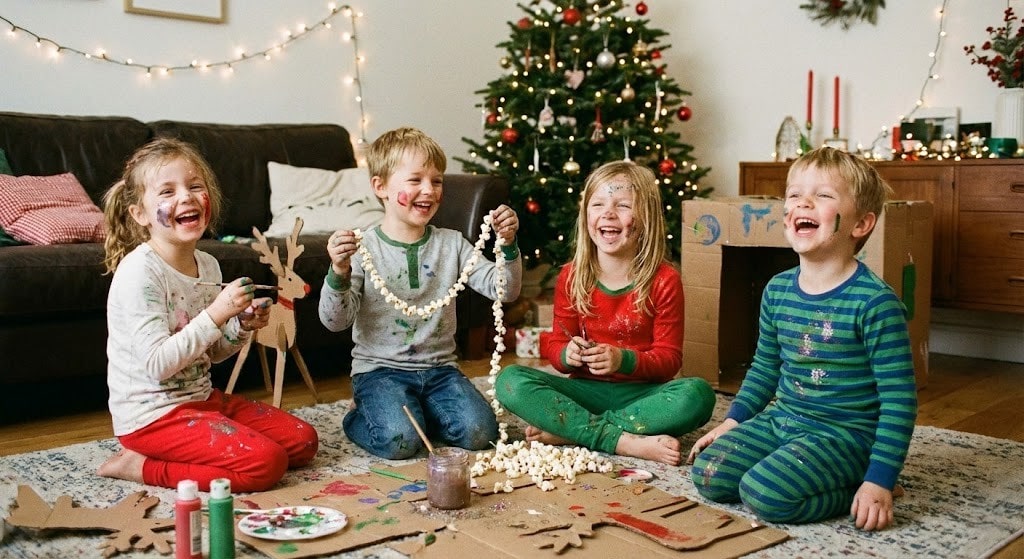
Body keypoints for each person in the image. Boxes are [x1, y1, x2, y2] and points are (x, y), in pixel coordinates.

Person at [687, 147, 918, 531]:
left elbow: (899, 400)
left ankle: (861, 486)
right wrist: (733, 422)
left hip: (846, 437)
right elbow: (764, 368)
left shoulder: (875, 303)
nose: (802, 202)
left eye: (823, 195)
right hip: (785, 420)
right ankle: (792, 460)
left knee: (765, 494)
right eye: (794, 195)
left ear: (860, 224)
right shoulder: (777, 290)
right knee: (710, 475)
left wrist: (879, 480)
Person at [97, 137, 318, 492]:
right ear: (140, 214)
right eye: (167, 192)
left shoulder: (209, 265)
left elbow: (212, 353)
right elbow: (158, 364)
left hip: (202, 401)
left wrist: (241, 325)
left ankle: (196, 446)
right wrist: (217, 313)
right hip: (153, 418)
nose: (185, 197)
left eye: (194, 186)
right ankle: (139, 466)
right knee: (267, 464)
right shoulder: (141, 272)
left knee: (303, 441)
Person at [319, 127, 522, 460]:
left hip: (440, 370)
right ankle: (360, 414)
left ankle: (420, 412)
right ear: (380, 186)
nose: (428, 190)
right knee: (400, 442)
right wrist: (339, 272)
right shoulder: (362, 249)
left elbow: (505, 290)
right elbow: (334, 321)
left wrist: (509, 246)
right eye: (415, 180)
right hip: (380, 372)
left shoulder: (452, 244)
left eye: (437, 181)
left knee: (480, 434)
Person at [495, 160, 716, 466]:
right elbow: (554, 343)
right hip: (583, 392)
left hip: (642, 396)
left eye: (623, 205)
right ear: (586, 215)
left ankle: (574, 431)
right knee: (509, 380)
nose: (608, 213)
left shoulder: (665, 280)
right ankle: (623, 441)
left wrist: (621, 359)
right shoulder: (572, 277)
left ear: (646, 219)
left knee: (698, 395)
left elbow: (669, 361)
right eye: (598, 204)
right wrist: (567, 353)